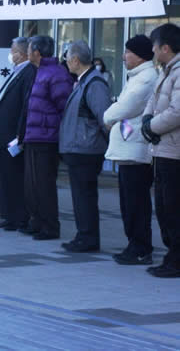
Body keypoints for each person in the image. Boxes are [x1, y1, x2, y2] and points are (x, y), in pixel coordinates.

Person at [103, 35, 157, 265]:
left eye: (127, 52)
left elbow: (124, 107)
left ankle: (140, 247)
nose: (123, 57)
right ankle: (134, 245)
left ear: (140, 55)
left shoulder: (146, 78)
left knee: (136, 203)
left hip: (136, 150)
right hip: (129, 148)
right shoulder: (137, 76)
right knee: (128, 202)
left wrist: (108, 116)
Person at [59, 40, 112, 252]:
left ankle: (88, 238)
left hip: (87, 150)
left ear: (75, 60)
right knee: (80, 197)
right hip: (78, 149)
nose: (66, 63)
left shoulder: (94, 84)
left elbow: (105, 118)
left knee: (85, 197)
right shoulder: (83, 81)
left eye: (67, 59)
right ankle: (84, 235)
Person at [21, 36, 73, 240]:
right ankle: (37, 221)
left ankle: (50, 227)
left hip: (47, 138)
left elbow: (64, 107)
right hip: (34, 136)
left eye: (29, 49)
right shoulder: (39, 71)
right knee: (32, 184)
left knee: (44, 184)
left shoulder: (56, 73)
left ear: (37, 52)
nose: (27, 52)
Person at [142, 23, 180, 278]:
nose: (153, 51)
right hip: (162, 149)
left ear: (165, 47)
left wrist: (152, 127)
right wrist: (147, 122)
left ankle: (176, 260)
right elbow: (152, 103)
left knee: (173, 208)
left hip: (174, 152)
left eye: (155, 47)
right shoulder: (166, 71)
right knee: (165, 207)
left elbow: (177, 111)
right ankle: (172, 256)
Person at [0, 37, 37, 231]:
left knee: (15, 176)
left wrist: (19, 134)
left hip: (12, 134)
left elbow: (25, 106)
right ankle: (8, 214)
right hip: (2, 132)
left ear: (23, 53)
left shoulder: (29, 72)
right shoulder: (17, 71)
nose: (11, 54)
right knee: (4, 176)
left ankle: (19, 216)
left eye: (14, 50)